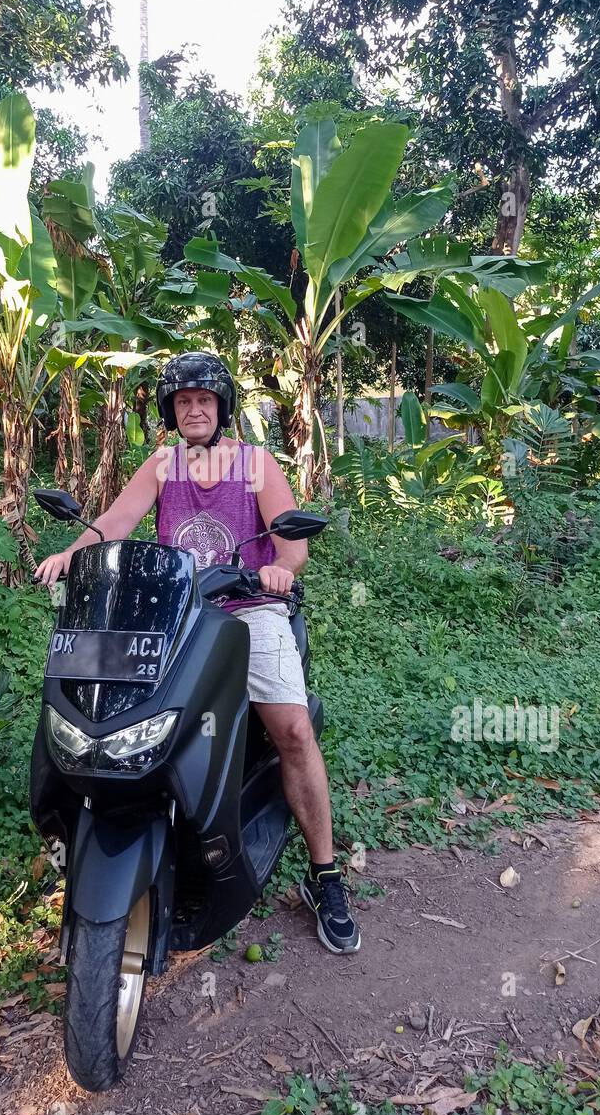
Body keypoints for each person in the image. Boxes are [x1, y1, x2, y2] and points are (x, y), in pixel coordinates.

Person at [34, 351, 360, 954]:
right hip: (172, 616)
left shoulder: (256, 464)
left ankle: (326, 874)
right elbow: (115, 523)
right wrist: (72, 554)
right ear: (170, 410)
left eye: (204, 401)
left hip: (248, 611)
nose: (194, 410)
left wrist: (281, 572)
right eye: (183, 402)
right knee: (114, 715)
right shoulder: (161, 464)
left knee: (290, 729)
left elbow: (290, 544)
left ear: (221, 408)